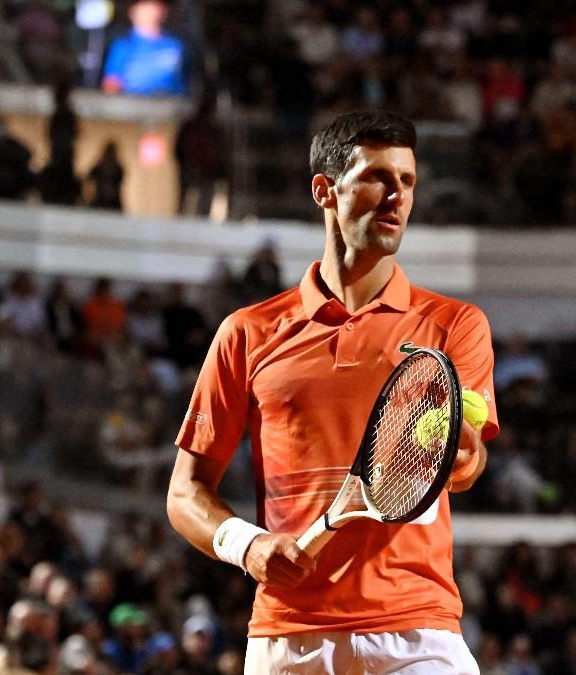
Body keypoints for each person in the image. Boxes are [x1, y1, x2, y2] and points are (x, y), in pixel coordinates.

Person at [167, 110, 498, 672]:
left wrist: (464, 453)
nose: (397, 196)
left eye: (408, 182)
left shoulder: (455, 325)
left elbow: (468, 462)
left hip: (416, 633)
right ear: (325, 190)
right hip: (288, 639)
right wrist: (248, 546)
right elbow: (185, 493)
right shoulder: (246, 333)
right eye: (377, 177)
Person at [101, 0, 186, 96]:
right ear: (133, 12)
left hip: (172, 105)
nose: (151, 12)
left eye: (155, 6)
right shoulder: (123, 46)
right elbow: (112, 83)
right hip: (135, 105)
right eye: (145, 7)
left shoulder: (176, 45)